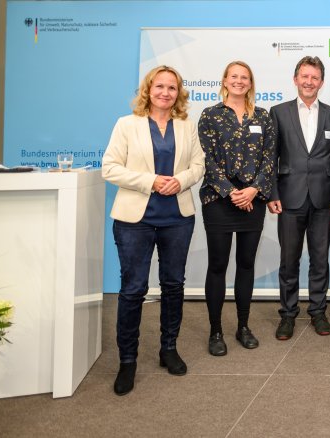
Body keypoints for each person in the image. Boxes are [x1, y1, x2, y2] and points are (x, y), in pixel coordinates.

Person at [102, 65, 205, 395]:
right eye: (159, 86)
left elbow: (198, 166)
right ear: (148, 90)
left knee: (173, 285)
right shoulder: (126, 125)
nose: (165, 92)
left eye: (171, 88)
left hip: (177, 216)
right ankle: (127, 361)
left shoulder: (186, 126)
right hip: (135, 220)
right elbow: (110, 167)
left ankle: (168, 349)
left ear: (179, 93)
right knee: (133, 289)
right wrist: (150, 181)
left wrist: (181, 180)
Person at [198, 61, 276, 356]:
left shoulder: (263, 117)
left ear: (251, 82)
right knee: (218, 265)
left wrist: (254, 189)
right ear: (225, 81)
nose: (239, 81)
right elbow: (205, 159)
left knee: (246, 264)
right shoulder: (210, 115)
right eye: (234, 77)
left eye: (245, 77)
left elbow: (270, 157)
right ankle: (215, 330)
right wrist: (231, 192)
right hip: (219, 201)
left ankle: (243, 326)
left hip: (252, 202)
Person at [268, 56, 330, 340]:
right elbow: (271, 158)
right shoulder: (278, 112)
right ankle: (287, 315)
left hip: (324, 199)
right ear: (295, 79)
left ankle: (317, 312)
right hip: (289, 198)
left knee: (320, 259)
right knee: (289, 261)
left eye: (314, 78)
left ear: (321, 82)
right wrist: (272, 193)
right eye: (304, 76)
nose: (309, 82)